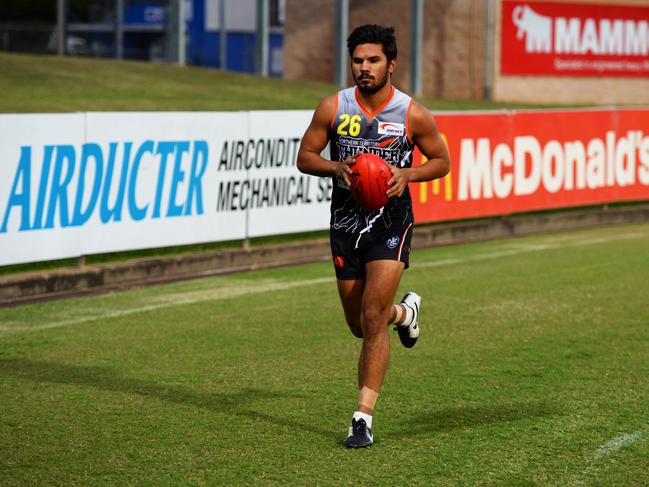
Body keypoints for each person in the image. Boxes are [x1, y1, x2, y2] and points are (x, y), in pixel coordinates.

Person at [296, 24, 450, 448]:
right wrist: (335, 168)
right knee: (360, 325)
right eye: (358, 61)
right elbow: (305, 157)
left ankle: (361, 418)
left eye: (373, 60)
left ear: (391, 64)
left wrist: (408, 174)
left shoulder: (412, 113)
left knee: (370, 314)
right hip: (345, 223)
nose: (364, 68)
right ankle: (406, 314)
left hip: (391, 222)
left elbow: (442, 161)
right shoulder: (333, 107)